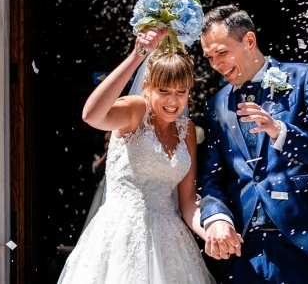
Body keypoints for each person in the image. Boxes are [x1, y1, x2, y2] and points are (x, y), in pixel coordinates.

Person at [58, 26, 230, 283]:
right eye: (164, 91)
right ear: (148, 87)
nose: (173, 102)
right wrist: (136, 56)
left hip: (171, 245)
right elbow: (91, 115)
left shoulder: (187, 130)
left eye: (181, 92)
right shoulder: (135, 110)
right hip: (121, 238)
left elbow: (187, 204)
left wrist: (212, 235)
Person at [199, 5, 308, 284]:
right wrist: (216, 216)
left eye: (221, 52)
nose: (216, 64)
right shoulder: (215, 105)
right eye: (209, 57)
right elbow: (212, 178)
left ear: (249, 41)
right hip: (243, 250)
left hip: (305, 246)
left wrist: (281, 131)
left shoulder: (304, 78)